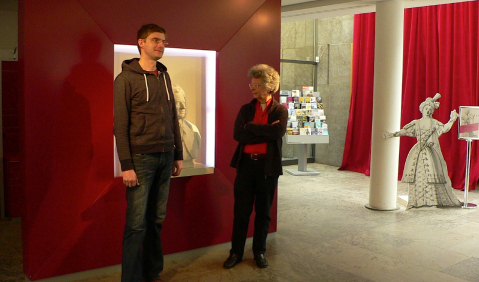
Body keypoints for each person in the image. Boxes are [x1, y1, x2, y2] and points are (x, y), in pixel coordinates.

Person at [114, 23, 183, 282]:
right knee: (136, 224)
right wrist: (126, 164)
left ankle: (152, 273)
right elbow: (120, 127)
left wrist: (177, 154)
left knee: (156, 220)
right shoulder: (126, 79)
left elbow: (173, 117)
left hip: (166, 157)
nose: (161, 45)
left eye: (164, 41)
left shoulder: (164, 77)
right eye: (155, 40)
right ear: (141, 42)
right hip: (141, 160)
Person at [223, 64, 288, 269]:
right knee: (241, 211)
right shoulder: (246, 109)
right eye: (251, 84)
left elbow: (277, 133)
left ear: (270, 87)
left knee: (263, 213)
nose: (252, 88)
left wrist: (251, 127)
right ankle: (236, 253)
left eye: (257, 85)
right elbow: (238, 134)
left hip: (267, 169)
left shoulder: (280, 110)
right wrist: (265, 130)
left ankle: (259, 252)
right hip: (246, 166)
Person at [383, 93, 461, 209]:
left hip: (430, 153)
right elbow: (405, 131)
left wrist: (452, 119)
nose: (428, 111)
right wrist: (393, 134)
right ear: (422, 109)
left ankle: (432, 201)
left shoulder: (434, 122)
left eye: (430, 109)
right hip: (418, 153)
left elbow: (444, 129)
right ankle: (416, 201)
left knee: (431, 176)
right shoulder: (416, 123)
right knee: (418, 175)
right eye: (426, 108)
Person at [172, 84, 202, 168]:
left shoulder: (193, 130)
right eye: (178, 103)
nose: (183, 107)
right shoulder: (161, 131)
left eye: (183, 102)